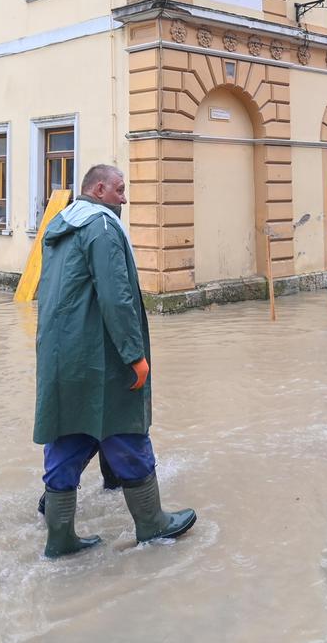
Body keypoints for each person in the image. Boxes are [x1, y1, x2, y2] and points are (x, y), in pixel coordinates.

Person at [32, 163, 196, 558]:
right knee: (125, 431)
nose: (125, 198)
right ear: (100, 189)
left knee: (67, 436)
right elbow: (116, 297)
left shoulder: (58, 227)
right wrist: (134, 356)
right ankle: (152, 523)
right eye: (120, 190)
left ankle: (59, 538)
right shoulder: (102, 228)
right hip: (99, 355)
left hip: (59, 355)